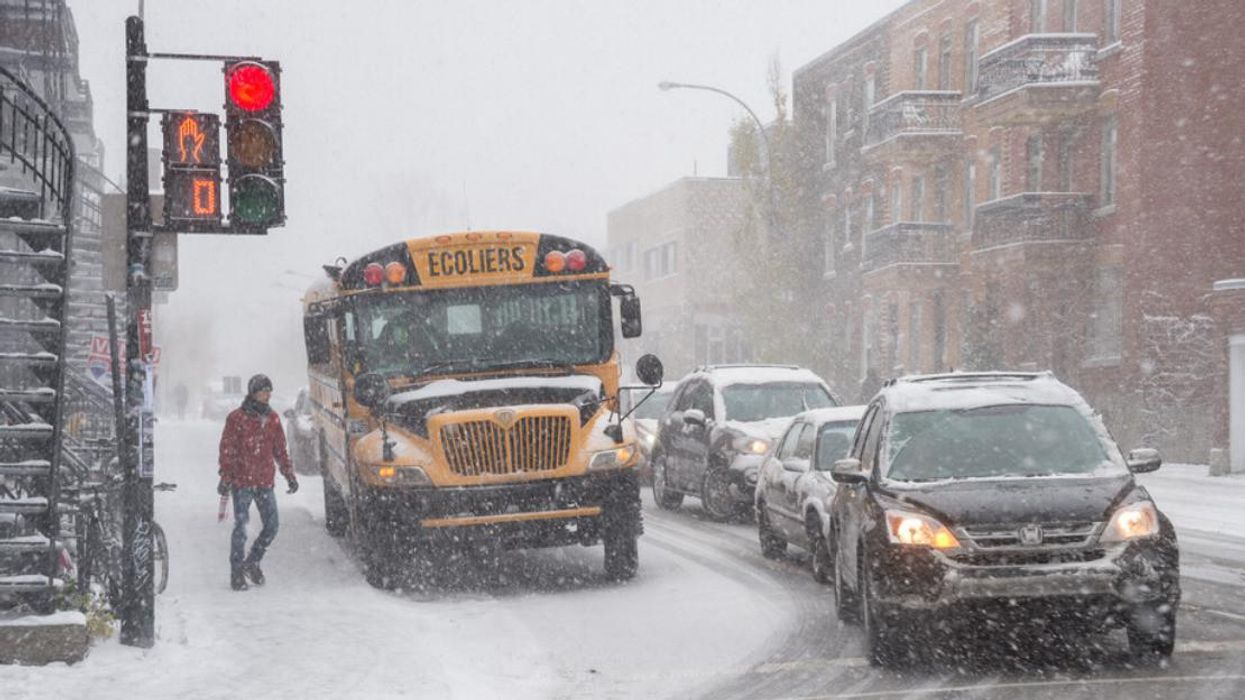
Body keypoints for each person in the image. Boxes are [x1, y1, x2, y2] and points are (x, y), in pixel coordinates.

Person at [217, 374, 299, 591]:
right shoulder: (236, 419)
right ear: (253, 393)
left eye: (269, 391)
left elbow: (280, 450)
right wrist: (226, 477)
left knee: (272, 526)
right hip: (242, 482)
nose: (267, 395)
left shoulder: (273, 419)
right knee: (241, 528)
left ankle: (252, 561)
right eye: (264, 391)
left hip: (264, 482)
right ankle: (237, 572)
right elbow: (227, 450)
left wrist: (289, 475)